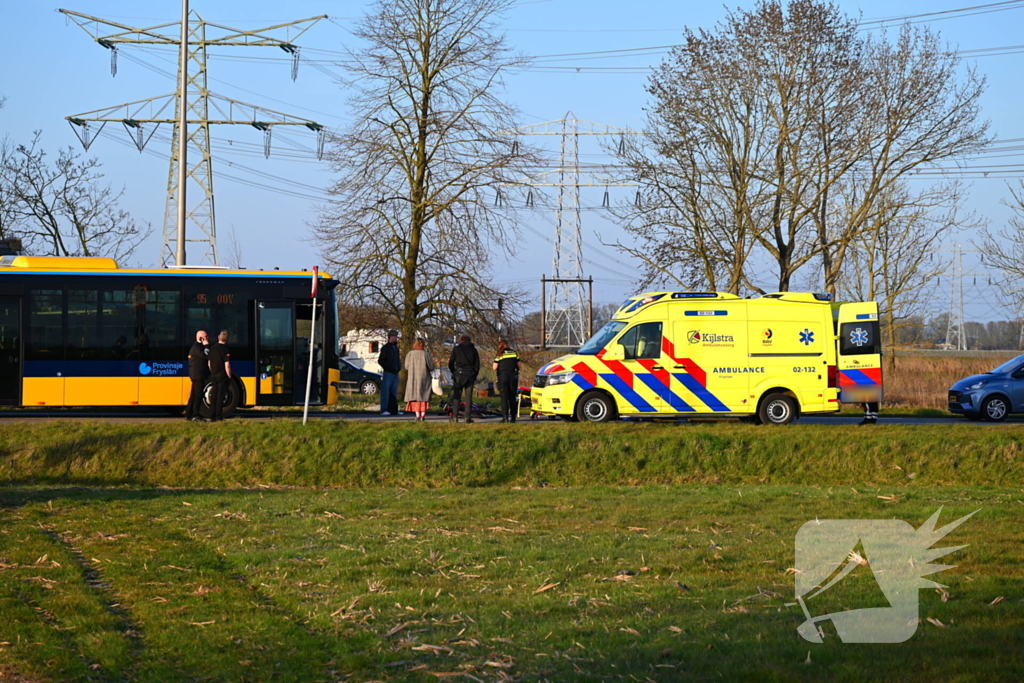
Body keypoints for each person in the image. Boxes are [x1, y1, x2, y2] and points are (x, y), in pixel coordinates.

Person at [448, 333, 480, 423]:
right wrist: (474, 374)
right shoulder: (473, 350)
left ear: (460, 340)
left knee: (457, 396)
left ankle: (455, 417)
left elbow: (451, 363)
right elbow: (477, 365)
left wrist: (454, 372)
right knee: (468, 397)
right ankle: (467, 417)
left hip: (459, 374)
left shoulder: (456, 349)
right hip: (470, 374)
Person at [404, 338, 436, 422]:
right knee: (423, 397)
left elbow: (406, 367)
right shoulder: (426, 354)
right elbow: (431, 367)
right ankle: (422, 416)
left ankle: (417, 415)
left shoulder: (409, 354)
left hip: (412, 379)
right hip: (424, 378)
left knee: (414, 398)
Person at [492, 340, 522, 423]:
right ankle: (513, 417)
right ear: (507, 345)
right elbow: (519, 365)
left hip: (503, 376)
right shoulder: (514, 353)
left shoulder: (499, 354)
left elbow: (494, 367)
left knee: (504, 397)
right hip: (513, 376)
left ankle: (505, 417)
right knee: (512, 397)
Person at [207, 329, 233, 422]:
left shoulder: (212, 348)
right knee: (220, 396)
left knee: (213, 395)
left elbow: (209, 363)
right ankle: (218, 416)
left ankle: (211, 416)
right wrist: (229, 376)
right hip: (222, 376)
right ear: (226, 339)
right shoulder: (225, 350)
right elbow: (227, 365)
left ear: (219, 337)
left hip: (214, 375)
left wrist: (213, 371)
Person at [185, 330, 210, 421]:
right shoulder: (197, 347)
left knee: (194, 394)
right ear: (201, 338)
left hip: (198, 374)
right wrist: (207, 345)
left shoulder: (198, 347)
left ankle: (188, 414)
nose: (208, 338)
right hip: (198, 375)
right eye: (206, 336)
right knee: (198, 394)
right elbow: (206, 355)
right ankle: (196, 415)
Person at [378, 329, 402, 415]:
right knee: (386, 391)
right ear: (390, 337)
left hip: (396, 372)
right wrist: (387, 367)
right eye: (393, 336)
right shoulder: (386, 348)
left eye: (396, 336)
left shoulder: (396, 348)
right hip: (388, 372)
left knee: (394, 392)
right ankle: (384, 409)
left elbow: (397, 359)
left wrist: (399, 366)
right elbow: (381, 360)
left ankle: (393, 409)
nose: (395, 338)